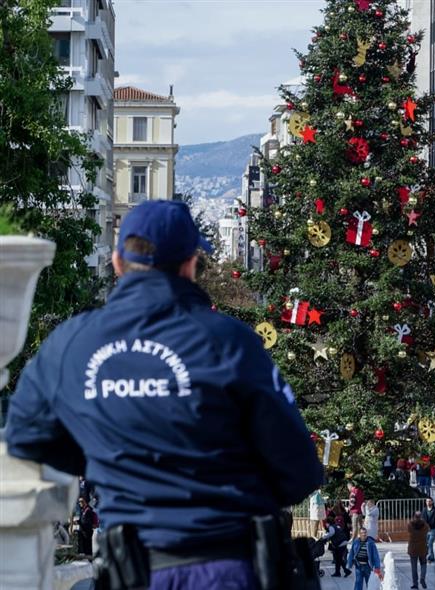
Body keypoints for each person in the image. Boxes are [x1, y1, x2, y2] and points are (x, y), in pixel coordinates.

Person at [4, 200, 323, 588]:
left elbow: (26, 437)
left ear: (118, 263)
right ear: (190, 264)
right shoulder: (230, 342)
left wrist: (106, 453)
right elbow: (300, 473)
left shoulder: (70, 345)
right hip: (231, 568)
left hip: (133, 573)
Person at [407, 511, 430, 589]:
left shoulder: (410, 524)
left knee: (414, 567)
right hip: (422, 548)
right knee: (423, 564)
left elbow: (409, 530)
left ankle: (415, 584)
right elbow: (428, 529)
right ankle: (422, 578)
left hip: (413, 549)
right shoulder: (425, 525)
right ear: (421, 517)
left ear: (414, 516)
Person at [423, 497, 435, 563]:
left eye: (429, 501)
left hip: (434, 529)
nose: (428, 502)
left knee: (430, 542)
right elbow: (422, 519)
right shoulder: (424, 510)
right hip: (426, 529)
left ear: (432, 502)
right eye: (427, 501)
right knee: (427, 543)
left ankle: (430, 557)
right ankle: (432, 556)